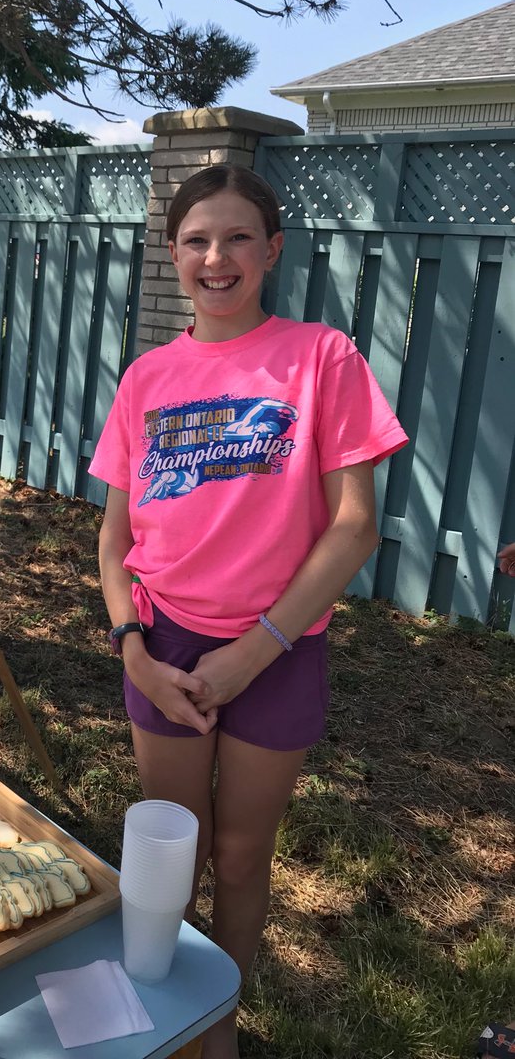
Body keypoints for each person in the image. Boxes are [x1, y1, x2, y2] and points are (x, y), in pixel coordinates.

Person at [88, 164, 409, 1059]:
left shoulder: (323, 358)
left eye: (236, 238)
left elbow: (354, 529)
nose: (215, 257)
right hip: (162, 645)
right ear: (173, 253)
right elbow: (114, 544)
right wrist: (133, 651)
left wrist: (255, 652)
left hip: (277, 650)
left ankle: (213, 1024)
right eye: (196, 240)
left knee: (237, 857)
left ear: (271, 250)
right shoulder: (148, 377)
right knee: (170, 856)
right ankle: (153, 1010)